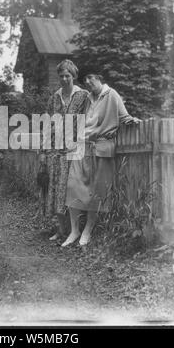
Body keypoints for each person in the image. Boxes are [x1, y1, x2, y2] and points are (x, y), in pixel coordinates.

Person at [61, 73, 140, 247]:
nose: (88, 83)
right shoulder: (87, 98)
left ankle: (87, 230)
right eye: (85, 81)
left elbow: (123, 116)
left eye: (91, 78)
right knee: (72, 185)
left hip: (102, 147)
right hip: (81, 145)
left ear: (99, 78)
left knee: (97, 191)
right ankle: (74, 231)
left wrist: (131, 120)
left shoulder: (112, 94)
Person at [42, 59, 88, 241]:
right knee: (55, 190)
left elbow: (91, 119)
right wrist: (44, 153)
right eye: (61, 76)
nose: (64, 79)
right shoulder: (54, 98)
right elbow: (46, 126)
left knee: (72, 190)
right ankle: (61, 230)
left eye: (67, 76)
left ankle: (75, 230)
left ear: (74, 76)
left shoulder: (83, 95)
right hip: (55, 151)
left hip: (76, 150)